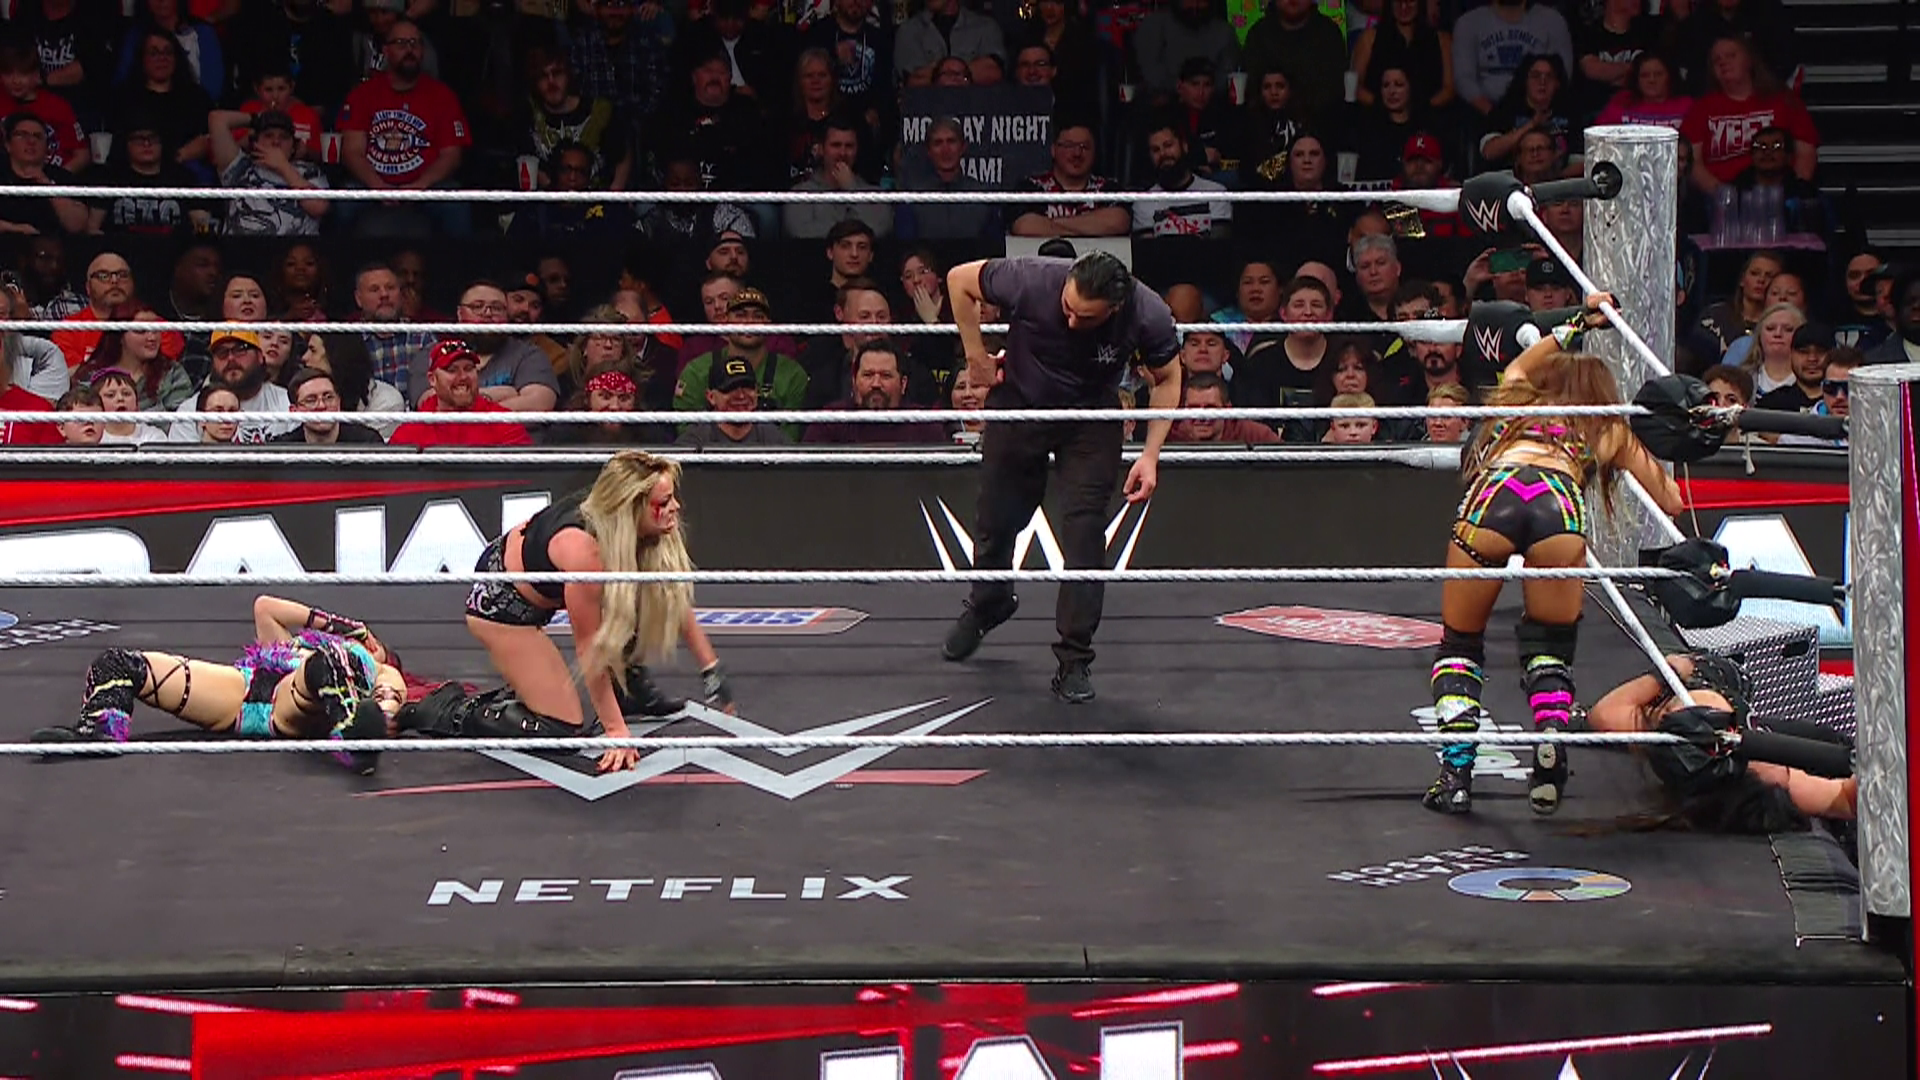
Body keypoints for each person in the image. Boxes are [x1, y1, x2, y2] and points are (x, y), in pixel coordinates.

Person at [1423, 293, 1686, 817]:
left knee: (1460, 643)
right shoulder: (1608, 426)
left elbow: (1524, 360)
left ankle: (1456, 777)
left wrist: (1578, 323)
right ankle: (1548, 734)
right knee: (1550, 645)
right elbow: (1673, 502)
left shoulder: (1520, 397)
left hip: (1495, 495)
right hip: (1557, 507)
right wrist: (1675, 433)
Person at [940, 253, 1182, 703]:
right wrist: (975, 355)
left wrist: (1151, 454)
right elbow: (958, 279)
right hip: (1021, 403)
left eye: (1085, 317)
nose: (1071, 321)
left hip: (1089, 419)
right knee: (996, 516)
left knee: (1086, 532)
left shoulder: (1147, 313)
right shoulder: (1032, 279)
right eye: (1068, 308)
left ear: (1114, 308)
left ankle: (1074, 658)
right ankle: (990, 602)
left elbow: (1168, 377)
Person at [455, 452, 736, 774]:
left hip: (547, 584)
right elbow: (589, 646)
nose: (676, 507)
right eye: (664, 501)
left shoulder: (630, 524)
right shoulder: (586, 552)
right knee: (561, 727)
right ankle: (455, 711)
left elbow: (671, 593)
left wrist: (710, 667)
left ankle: (627, 687)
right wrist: (615, 731)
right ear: (632, 507)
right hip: (504, 604)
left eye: (672, 497)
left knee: (640, 584)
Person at [34, 626, 397, 777]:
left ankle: (354, 739)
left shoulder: (377, 666)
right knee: (117, 664)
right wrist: (347, 625)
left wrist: (379, 716)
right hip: (242, 688)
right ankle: (100, 731)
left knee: (328, 662)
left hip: (291, 699)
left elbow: (389, 699)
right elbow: (267, 607)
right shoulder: (304, 643)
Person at [1588, 653, 1855, 830]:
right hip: (1744, 757)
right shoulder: (1766, 772)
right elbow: (1843, 798)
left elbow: (1603, 715)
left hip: (1715, 726)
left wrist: (1667, 672)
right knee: (1828, 742)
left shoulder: (1660, 728)